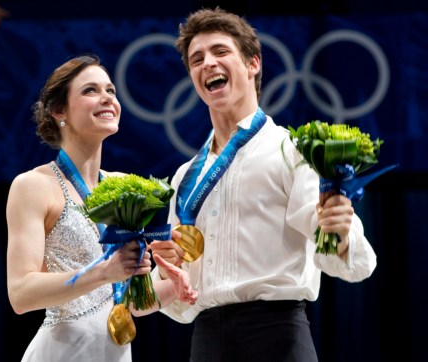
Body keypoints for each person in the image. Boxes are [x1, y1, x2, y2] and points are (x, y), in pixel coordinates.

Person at [149, 7, 377, 362]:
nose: (207, 63)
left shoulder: (293, 151)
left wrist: (341, 231)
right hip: (206, 340)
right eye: (197, 59)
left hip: (277, 336)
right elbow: (179, 290)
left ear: (253, 63)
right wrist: (164, 267)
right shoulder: (185, 177)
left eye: (220, 52)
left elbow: (340, 257)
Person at [6, 54, 197, 362]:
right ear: (58, 111)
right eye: (90, 90)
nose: (107, 98)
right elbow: (20, 293)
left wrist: (172, 286)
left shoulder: (124, 187)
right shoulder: (33, 186)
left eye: (111, 90)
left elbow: (134, 302)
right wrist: (103, 272)